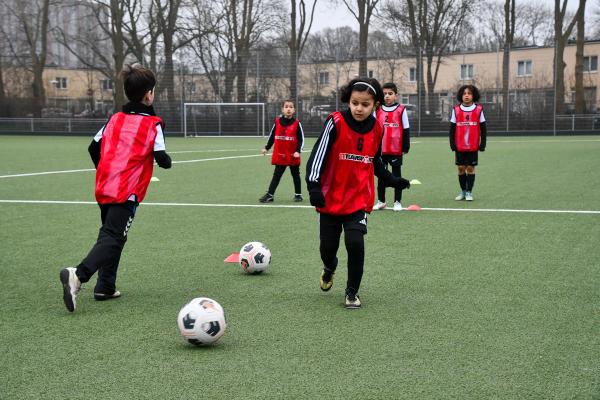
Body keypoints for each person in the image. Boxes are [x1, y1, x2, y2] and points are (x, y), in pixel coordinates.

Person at [59, 64, 172, 312]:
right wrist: (166, 162)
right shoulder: (153, 124)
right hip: (127, 190)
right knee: (113, 236)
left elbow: (93, 147)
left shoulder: (114, 119)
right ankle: (78, 275)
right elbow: (162, 158)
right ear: (148, 94)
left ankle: (106, 286)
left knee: (111, 234)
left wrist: (106, 170)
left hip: (104, 186)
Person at [306, 77, 410, 309]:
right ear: (348, 101)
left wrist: (391, 179)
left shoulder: (378, 128)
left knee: (355, 243)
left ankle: (352, 292)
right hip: (330, 198)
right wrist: (314, 186)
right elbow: (318, 155)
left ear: (375, 105)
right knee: (327, 249)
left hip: (358, 200)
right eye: (355, 103)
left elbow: (374, 161)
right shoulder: (335, 122)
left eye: (365, 104)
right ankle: (329, 267)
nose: (359, 108)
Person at [373, 82, 410, 211]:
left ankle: (397, 202)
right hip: (380, 150)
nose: (387, 96)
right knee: (381, 175)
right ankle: (381, 201)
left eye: (390, 94)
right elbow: (373, 129)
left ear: (396, 95)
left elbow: (406, 129)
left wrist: (406, 146)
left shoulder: (401, 109)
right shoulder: (377, 110)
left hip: (395, 149)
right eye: (385, 94)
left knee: (396, 175)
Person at [259, 100, 305, 203]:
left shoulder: (297, 123)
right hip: (281, 155)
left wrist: (298, 151)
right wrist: (266, 148)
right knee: (277, 175)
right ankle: (270, 195)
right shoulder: (277, 122)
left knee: (296, 175)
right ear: (282, 109)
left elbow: (301, 139)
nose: (288, 109)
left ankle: (298, 195)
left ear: (294, 110)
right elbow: (272, 136)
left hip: (293, 155)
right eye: (286, 107)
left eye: (291, 107)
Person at [449, 84, 487, 201]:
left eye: (469, 93)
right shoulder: (456, 110)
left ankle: (469, 192)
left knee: (470, 168)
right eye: (464, 93)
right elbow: (452, 129)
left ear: (473, 95)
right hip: (460, 146)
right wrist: (452, 143)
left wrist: (482, 143)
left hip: (473, 146)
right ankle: (463, 192)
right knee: (461, 168)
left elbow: (483, 129)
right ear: (461, 96)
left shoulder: (478, 109)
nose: (466, 96)